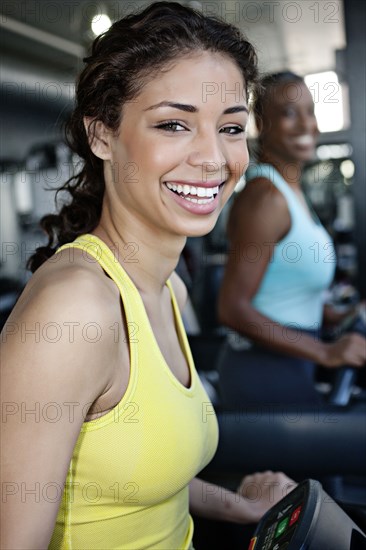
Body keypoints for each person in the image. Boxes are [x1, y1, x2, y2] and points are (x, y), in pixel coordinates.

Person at [0, 5, 295, 549]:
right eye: (173, 124)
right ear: (102, 136)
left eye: (230, 127)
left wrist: (239, 505)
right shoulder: (77, 308)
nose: (213, 157)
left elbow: (131, 480)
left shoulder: (167, 288)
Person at [217, 71, 366, 407]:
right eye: (288, 113)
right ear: (261, 123)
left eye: (310, 112)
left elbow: (290, 298)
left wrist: (340, 315)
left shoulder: (292, 193)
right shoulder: (266, 197)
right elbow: (232, 308)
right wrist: (326, 351)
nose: (305, 125)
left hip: (295, 366)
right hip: (263, 373)